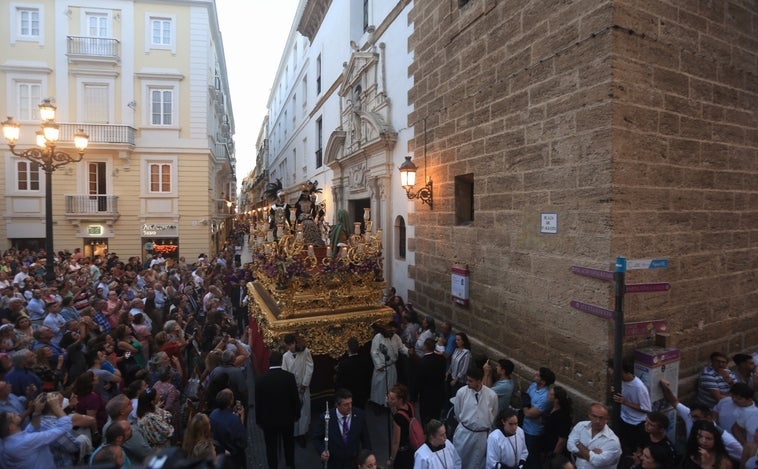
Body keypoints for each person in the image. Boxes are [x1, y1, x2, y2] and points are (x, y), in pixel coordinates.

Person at [0, 393, 94, 469]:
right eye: (13, 416)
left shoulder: (11, 440)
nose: (16, 413)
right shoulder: (24, 442)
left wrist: (37, 412)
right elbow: (63, 429)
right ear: (11, 427)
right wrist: (56, 407)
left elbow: (32, 428)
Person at [659, 378, 743, 461]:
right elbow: (674, 402)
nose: (693, 420)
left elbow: (742, 456)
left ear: (708, 417)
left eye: (697, 417)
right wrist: (665, 386)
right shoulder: (690, 416)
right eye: (692, 417)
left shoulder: (726, 438)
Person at [255, 351, 300, 469]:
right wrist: (297, 415)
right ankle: (290, 464)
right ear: (281, 361)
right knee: (288, 444)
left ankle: (273, 466)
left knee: (271, 447)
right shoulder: (289, 378)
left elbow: (258, 403)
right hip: (287, 419)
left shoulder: (261, 380)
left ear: (269, 362)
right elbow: (295, 398)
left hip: (268, 421)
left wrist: (259, 421)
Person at [450, 365, 498, 469]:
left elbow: (493, 413)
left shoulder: (491, 395)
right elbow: (458, 412)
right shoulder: (461, 392)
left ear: (479, 381)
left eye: (470, 381)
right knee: (459, 459)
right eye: (467, 380)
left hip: (481, 435)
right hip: (465, 432)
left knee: (477, 462)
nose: (467, 383)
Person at [313, 388, 372, 469]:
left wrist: (368, 459)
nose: (350, 407)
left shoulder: (359, 415)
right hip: (333, 463)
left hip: (353, 463)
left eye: (351, 403)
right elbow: (316, 438)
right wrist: (322, 451)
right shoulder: (326, 418)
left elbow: (366, 440)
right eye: (346, 404)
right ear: (337, 405)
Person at [611, 358, 651, 459]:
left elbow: (646, 408)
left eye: (613, 373)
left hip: (636, 423)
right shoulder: (619, 382)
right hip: (624, 419)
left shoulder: (639, 387)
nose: (612, 376)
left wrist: (625, 402)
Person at [566, 403, 622, 469]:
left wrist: (578, 444)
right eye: (594, 416)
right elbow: (569, 445)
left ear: (607, 419)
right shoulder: (581, 426)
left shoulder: (613, 441)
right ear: (589, 415)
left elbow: (598, 462)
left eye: (601, 418)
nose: (597, 421)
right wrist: (591, 453)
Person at [283, 333, 314, 445]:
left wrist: (305, 383)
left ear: (295, 343)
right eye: (289, 345)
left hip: (303, 386)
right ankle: (295, 434)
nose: (291, 347)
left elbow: (310, 367)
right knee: (294, 411)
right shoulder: (285, 357)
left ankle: (302, 433)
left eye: (292, 344)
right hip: (292, 388)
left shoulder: (305, 352)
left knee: (303, 411)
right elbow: (285, 372)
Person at [369, 321, 409, 409]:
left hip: (391, 367)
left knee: (391, 387)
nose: (391, 332)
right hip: (382, 368)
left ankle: (389, 404)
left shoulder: (396, 337)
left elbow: (401, 347)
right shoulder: (378, 337)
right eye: (390, 330)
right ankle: (379, 404)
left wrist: (408, 351)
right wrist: (379, 365)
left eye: (393, 331)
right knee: (380, 388)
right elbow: (374, 352)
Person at [522, 367, 555, 469]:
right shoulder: (533, 386)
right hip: (525, 426)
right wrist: (527, 405)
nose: (535, 374)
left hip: (534, 432)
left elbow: (529, 413)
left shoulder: (545, 397)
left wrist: (525, 405)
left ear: (543, 382)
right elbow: (526, 398)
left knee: (533, 457)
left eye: (538, 375)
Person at [412, 338, 447, 424]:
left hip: (426, 396)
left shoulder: (422, 362)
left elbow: (418, 381)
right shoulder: (440, 359)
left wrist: (414, 397)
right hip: (438, 394)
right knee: (436, 417)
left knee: (426, 418)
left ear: (425, 347)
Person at [210, 388, 246, 466]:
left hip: (218, 452)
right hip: (232, 458)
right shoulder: (234, 420)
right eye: (232, 397)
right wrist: (241, 419)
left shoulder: (213, 413)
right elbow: (242, 443)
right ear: (230, 401)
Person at [335, 337, 372, 410]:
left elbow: (340, 382)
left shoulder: (344, 364)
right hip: (362, 394)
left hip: (349, 395)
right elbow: (368, 377)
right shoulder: (364, 361)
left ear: (348, 348)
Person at [388, 383, 416, 469]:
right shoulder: (409, 406)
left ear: (400, 400)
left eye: (392, 399)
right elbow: (399, 413)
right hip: (411, 448)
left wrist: (392, 459)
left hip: (402, 453)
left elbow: (396, 441)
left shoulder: (398, 418)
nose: (389, 401)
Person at [544, 385, 573, 463]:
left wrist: (554, 457)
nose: (548, 395)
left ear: (557, 399)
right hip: (548, 446)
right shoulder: (552, 408)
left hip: (554, 449)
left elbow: (562, 440)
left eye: (551, 394)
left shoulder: (562, 416)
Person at [447, 332, 471, 399]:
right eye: (456, 340)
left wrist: (456, 379)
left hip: (460, 381)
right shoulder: (456, 350)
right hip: (452, 377)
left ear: (463, 341)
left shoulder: (467, 353)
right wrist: (448, 372)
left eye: (458, 340)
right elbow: (452, 362)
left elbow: (464, 369)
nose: (456, 341)